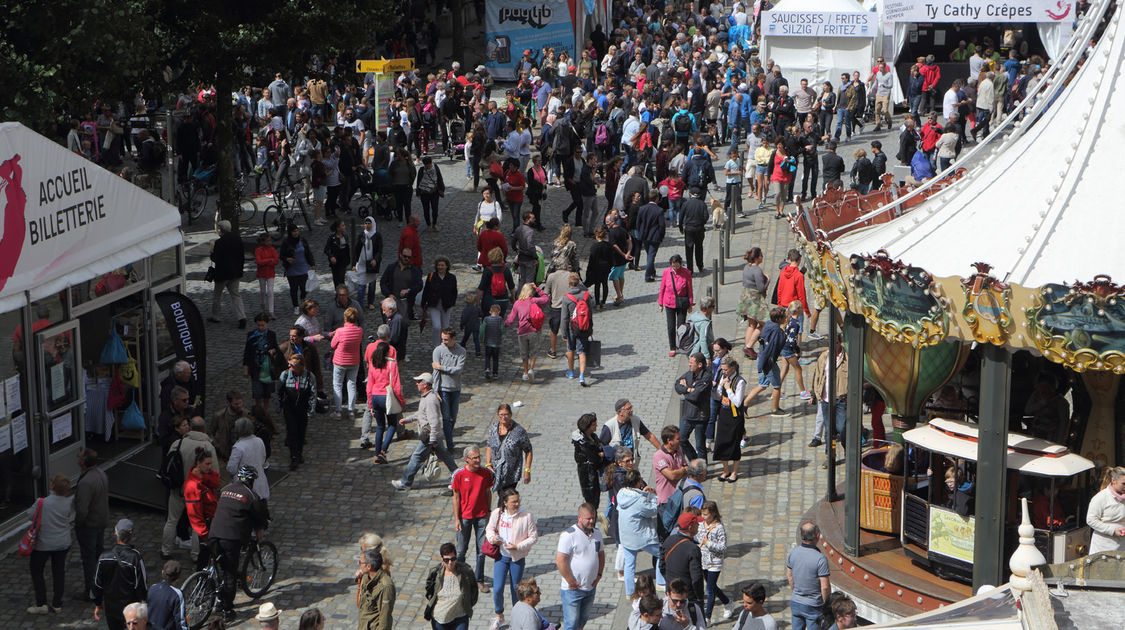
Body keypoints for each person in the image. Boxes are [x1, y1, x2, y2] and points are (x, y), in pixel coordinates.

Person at [210, 466, 270, 623]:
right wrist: (261, 528)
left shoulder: (226, 489)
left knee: (219, 569)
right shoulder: (250, 495)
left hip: (214, 533)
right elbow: (259, 515)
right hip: (231, 537)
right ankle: (227, 610)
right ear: (251, 480)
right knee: (230, 572)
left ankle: (217, 600)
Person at [162, 416, 217, 562]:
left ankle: (166, 550)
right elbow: (214, 471)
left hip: (178, 489)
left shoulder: (178, 443)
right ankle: (196, 554)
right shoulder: (208, 447)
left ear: (191, 428)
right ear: (204, 429)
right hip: (197, 492)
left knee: (171, 520)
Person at [392, 373, 458, 491]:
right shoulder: (426, 398)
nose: (417, 384)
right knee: (445, 456)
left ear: (426, 385)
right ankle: (459, 476)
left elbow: (434, 421)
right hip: (433, 435)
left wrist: (432, 439)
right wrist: (408, 419)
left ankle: (405, 482)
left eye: (419, 382)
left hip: (429, 435)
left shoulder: (430, 400)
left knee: (416, 457)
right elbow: (421, 414)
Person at [485, 488, 539, 629]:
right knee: (497, 589)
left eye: (518, 501)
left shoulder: (526, 516)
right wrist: (493, 539)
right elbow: (489, 529)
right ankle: (499, 616)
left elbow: (533, 537)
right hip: (501, 557)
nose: (517, 504)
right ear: (505, 502)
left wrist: (518, 547)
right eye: (513, 501)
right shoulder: (498, 514)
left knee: (517, 590)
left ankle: (518, 616)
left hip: (517, 557)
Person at [27, 474, 74, 614]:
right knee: (59, 572)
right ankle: (57, 603)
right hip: (63, 543)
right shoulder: (69, 502)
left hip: (44, 544)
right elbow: (71, 517)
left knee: (37, 571)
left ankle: (41, 603)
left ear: (52, 486)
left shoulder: (42, 502)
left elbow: (30, 515)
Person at [555, 504, 605, 630]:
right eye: (588, 519)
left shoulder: (597, 534)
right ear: (579, 518)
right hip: (572, 590)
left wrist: (599, 575)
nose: (592, 521)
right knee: (571, 625)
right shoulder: (569, 535)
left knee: (581, 622)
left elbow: (601, 555)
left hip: (590, 587)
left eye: (593, 518)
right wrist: (570, 581)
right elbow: (560, 561)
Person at [452, 446, 494, 592]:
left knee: (482, 550)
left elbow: (488, 492)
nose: (477, 460)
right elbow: (456, 497)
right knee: (461, 550)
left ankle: (479, 580)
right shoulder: (459, 474)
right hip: (465, 517)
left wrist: (489, 511)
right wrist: (457, 518)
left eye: (478, 457)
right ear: (467, 459)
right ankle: (461, 579)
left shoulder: (485, 473)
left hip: (481, 516)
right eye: (474, 458)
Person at [616, 469, 665, 596]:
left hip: (625, 536)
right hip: (640, 536)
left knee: (630, 564)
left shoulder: (621, 494)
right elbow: (653, 510)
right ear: (638, 482)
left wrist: (643, 495)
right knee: (661, 554)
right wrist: (653, 495)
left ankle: (630, 592)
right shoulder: (639, 499)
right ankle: (660, 582)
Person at [93, 519, 148, 630]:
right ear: (131, 536)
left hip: (111, 608)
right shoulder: (135, 558)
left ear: (115, 534)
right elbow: (141, 585)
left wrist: (98, 603)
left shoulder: (104, 557)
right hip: (130, 609)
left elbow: (97, 584)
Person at [362, 326, 404, 462]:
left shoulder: (373, 365)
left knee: (380, 426)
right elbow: (396, 386)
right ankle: (383, 450)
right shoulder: (392, 365)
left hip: (375, 397)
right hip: (387, 397)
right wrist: (402, 403)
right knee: (392, 425)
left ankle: (376, 452)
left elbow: (369, 387)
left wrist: (370, 405)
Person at [75, 448, 109, 602]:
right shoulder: (101, 474)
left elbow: (82, 509)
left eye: (80, 456)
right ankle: (100, 586)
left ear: (82, 462)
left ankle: (91, 591)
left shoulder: (85, 482)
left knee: (89, 559)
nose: (78, 458)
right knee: (97, 556)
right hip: (101, 521)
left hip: (90, 525)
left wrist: (78, 524)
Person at [787, 521, 831, 630]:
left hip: (796, 601)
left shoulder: (793, 553)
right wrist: (826, 605)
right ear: (818, 536)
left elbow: (790, 577)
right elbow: (825, 587)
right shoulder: (820, 559)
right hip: (813, 605)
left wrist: (797, 592)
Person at [424, 542, 479, 630]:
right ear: (442, 559)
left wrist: (468, 604)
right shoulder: (436, 573)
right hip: (440, 619)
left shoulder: (466, 571)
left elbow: (474, 589)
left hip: (460, 617)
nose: (450, 562)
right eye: (447, 560)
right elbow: (429, 588)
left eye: (453, 559)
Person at [183, 447, 220, 570]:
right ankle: (203, 580)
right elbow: (194, 513)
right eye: (207, 464)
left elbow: (215, 482)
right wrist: (204, 533)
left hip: (212, 520)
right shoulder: (193, 485)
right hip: (206, 525)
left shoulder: (204, 475)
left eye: (211, 463)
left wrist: (204, 478)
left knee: (210, 554)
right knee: (205, 554)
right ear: (198, 464)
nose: (210, 467)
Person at [277, 354, 316, 470]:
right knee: (292, 431)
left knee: (301, 432)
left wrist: (312, 409)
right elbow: (278, 392)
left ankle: (299, 453)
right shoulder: (285, 375)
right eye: (289, 364)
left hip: (302, 409)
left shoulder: (309, 376)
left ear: (301, 366)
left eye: (292, 365)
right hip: (289, 408)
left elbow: (313, 394)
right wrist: (279, 406)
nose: (289, 367)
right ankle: (294, 456)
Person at [485, 403, 534, 494]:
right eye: (501, 415)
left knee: (506, 498)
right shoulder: (493, 428)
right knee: (500, 496)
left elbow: (528, 450)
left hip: (511, 473)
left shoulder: (519, 431)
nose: (503, 417)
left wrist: (527, 470)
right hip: (496, 471)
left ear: (511, 415)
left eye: (506, 414)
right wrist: (488, 464)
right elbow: (489, 446)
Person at [506, 283, 549, 381]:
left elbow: (511, 318)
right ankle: (531, 369)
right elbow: (546, 299)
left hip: (522, 331)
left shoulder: (517, 303)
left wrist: (504, 325)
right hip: (534, 331)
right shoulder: (533, 301)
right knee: (533, 352)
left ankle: (525, 372)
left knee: (524, 353)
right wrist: (538, 289)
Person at [208, 220, 247, 328]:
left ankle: (215, 316)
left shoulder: (219, 243)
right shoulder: (238, 239)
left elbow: (215, 258)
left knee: (217, 295)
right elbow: (242, 256)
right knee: (235, 295)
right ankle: (241, 316)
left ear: (221, 230)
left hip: (223, 274)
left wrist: (211, 250)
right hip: (235, 272)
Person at [660, 513, 705, 606]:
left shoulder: (669, 540)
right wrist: (699, 598)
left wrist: (670, 582)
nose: (698, 525)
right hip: (687, 597)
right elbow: (696, 578)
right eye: (697, 523)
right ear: (690, 527)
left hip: (671, 594)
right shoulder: (693, 549)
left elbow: (661, 566)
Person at [697, 501, 731, 621]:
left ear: (713, 513)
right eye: (702, 514)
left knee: (710, 590)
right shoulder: (701, 524)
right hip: (703, 561)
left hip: (714, 563)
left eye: (706, 514)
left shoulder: (719, 528)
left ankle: (707, 617)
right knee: (712, 586)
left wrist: (708, 544)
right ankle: (726, 601)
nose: (703, 517)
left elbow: (723, 547)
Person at [811, 337, 847, 449]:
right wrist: (816, 394)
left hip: (842, 399)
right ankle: (829, 455)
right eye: (830, 342)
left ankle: (847, 448)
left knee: (842, 427)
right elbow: (817, 375)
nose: (832, 345)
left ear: (840, 342)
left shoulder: (847, 358)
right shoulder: (824, 357)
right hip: (826, 399)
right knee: (828, 429)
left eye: (835, 342)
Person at [330, 306, 363, 420]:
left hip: (340, 361)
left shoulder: (340, 331)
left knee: (337, 385)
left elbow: (333, 345)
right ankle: (351, 410)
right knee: (352, 384)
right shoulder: (359, 331)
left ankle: (338, 411)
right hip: (354, 361)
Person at [227, 417, 270, 506]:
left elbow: (231, 468)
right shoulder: (259, 441)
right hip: (260, 481)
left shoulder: (238, 447)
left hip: (243, 484)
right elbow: (263, 458)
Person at [242, 312, 280, 410]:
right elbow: (247, 352)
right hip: (256, 367)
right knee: (257, 392)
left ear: (267, 324)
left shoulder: (271, 334)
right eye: (258, 325)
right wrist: (246, 369)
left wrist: (273, 350)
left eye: (262, 325)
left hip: (267, 367)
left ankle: (266, 410)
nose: (260, 327)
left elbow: (276, 348)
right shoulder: (251, 335)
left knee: (267, 393)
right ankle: (259, 409)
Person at [561, 272, 594, 386]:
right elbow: (590, 313)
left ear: (570, 284)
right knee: (582, 351)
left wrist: (563, 333)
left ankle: (571, 372)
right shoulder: (586, 295)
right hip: (583, 326)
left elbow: (564, 317)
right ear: (578, 283)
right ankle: (582, 375)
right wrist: (591, 328)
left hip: (571, 327)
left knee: (570, 349)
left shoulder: (566, 297)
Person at [658, 255, 693, 357]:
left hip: (682, 303)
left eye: (677, 266)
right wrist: (660, 303)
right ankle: (672, 347)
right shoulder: (666, 272)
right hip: (669, 302)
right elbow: (662, 288)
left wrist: (690, 303)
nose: (676, 269)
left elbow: (689, 289)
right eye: (673, 266)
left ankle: (680, 344)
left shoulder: (686, 273)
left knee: (681, 326)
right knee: (670, 326)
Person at [738, 248, 769, 359]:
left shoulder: (746, 267)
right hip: (755, 299)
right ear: (756, 258)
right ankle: (749, 346)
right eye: (760, 255)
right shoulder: (757, 270)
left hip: (746, 297)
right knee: (764, 323)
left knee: (751, 324)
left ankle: (748, 349)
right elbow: (761, 288)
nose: (762, 257)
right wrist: (767, 280)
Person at [279, 223, 316, 316]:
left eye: (297, 231)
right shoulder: (286, 242)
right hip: (292, 270)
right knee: (294, 289)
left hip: (303, 268)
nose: (296, 233)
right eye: (293, 231)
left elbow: (308, 253)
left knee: (304, 288)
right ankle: (296, 305)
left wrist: (312, 264)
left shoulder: (302, 240)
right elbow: (281, 255)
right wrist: (287, 259)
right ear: (290, 232)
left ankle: (303, 300)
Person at [422, 257, 459, 348]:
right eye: (438, 265)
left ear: (446, 266)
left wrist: (452, 302)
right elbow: (426, 291)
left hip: (446, 306)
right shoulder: (431, 276)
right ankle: (436, 345)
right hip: (434, 305)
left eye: (442, 265)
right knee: (436, 326)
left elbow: (454, 292)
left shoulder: (451, 278)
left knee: (445, 327)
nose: (440, 267)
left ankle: (444, 345)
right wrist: (424, 304)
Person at [573, 413, 608, 507]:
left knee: (596, 500)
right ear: (587, 426)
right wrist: (600, 455)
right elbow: (594, 458)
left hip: (596, 473)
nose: (596, 426)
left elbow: (599, 450)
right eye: (593, 424)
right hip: (588, 476)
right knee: (592, 501)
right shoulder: (582, 442)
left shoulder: (593, 437)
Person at [1087, 466, 1125, 553]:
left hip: (1122, 547)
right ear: (1113, 481)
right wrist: (1112, 531)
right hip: (1103, 548)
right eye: (1124, 484)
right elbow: (1091, 520)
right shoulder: (1101, 498)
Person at [358, 549, 396, 630]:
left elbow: (385, 618)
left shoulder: (385, 586)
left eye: (360, 563)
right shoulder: (366, 577)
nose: (360, 565)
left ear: (368, 566)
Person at [352, 216, 384, 309]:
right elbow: (356, 249)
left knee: (372, 283)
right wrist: (354, 264)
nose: (367, 225)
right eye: (365, 223)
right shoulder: (361, 235)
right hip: (362, 262)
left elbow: (379, 250)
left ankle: (371, 302)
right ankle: (359, 304)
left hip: (372, 263)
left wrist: (375, 259)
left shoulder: (377, 235)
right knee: (361, 284)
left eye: (369, 223)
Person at [634, 191, 666, 283]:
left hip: (644, 235)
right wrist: (661, 236)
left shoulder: (642, 208)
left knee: (649, 254)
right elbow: (662, 225)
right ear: (656, 199)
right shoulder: (659, 210)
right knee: (651, 255)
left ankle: (652, 271)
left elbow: (638, 223)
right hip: (654, 236)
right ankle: (648, 276)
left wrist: (640, 233)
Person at [146, 560, 187, 630]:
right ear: (178, 578)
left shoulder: (152, 588)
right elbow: (180, 621)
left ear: (162, 573)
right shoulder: (177, 594)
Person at [678, 191, 707, 274]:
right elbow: (706, 216)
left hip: (689, 229)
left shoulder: (686, 204)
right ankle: (700, 266)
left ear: (690, 194)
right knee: (699, 247)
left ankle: (690, 269)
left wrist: (680, 227)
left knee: (689, 249)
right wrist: (701, 223)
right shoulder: (702, 204)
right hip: (699, 228)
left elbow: (681, 217)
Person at [585, 227, 613, 310]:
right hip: (605, 268)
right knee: (605, 284)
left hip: (596, 268)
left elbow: (591, 260)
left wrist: (589, 270)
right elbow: (611, 258)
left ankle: (597, 303)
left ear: (597, 235)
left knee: (597, 285)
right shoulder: (608, 245)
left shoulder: (594, 246)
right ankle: (603, 302)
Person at [416, 156, 447, 230]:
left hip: (434, 192)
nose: (428, 167)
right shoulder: (421, 170)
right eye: (426, 165)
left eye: (429, 165)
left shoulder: (435, 167)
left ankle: (434, 223)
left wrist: (442, 189)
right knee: (426, 209)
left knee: (435, 209)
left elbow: (439, 178)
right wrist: (418, 193)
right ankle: (428, 224)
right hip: (424, 193)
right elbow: (418, 181)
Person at [255, 233, 279, 316]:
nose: (270, 242)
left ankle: (271, 310)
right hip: (262, 273)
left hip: (270, 273)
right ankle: (263, 307)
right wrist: (269, 260)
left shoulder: (272, 249)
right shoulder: (259, 250)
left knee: (270, 291)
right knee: (263, 291)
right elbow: (259, 262)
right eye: (268, 241)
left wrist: (265, 261)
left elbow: (276, 260)